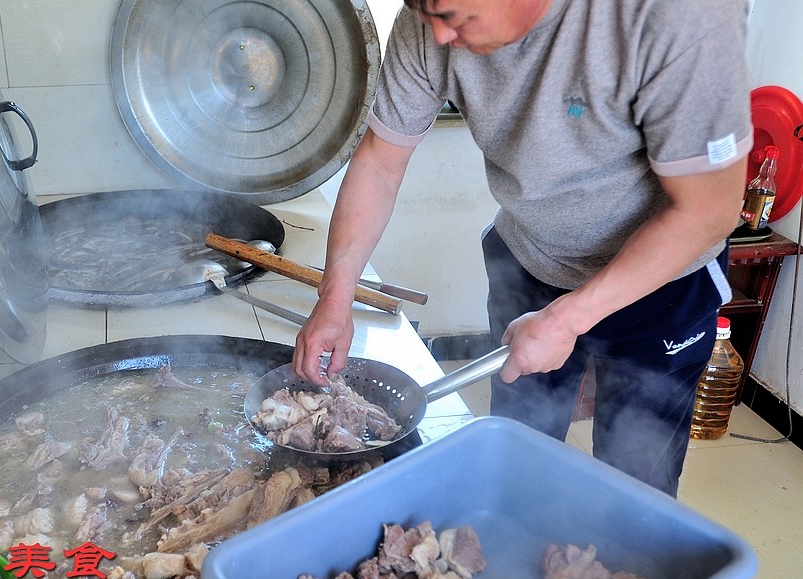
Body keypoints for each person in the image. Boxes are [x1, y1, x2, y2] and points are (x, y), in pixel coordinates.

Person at [292, 0, 753, 497]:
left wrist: (568, 319)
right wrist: (336, 297)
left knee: (635, 483)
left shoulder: (678, 16)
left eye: (454, 18)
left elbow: (710, 209)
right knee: (518, 454)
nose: (439, 38)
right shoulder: (429, 16)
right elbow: (381, 162)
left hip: (661, 284)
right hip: (530, 259)